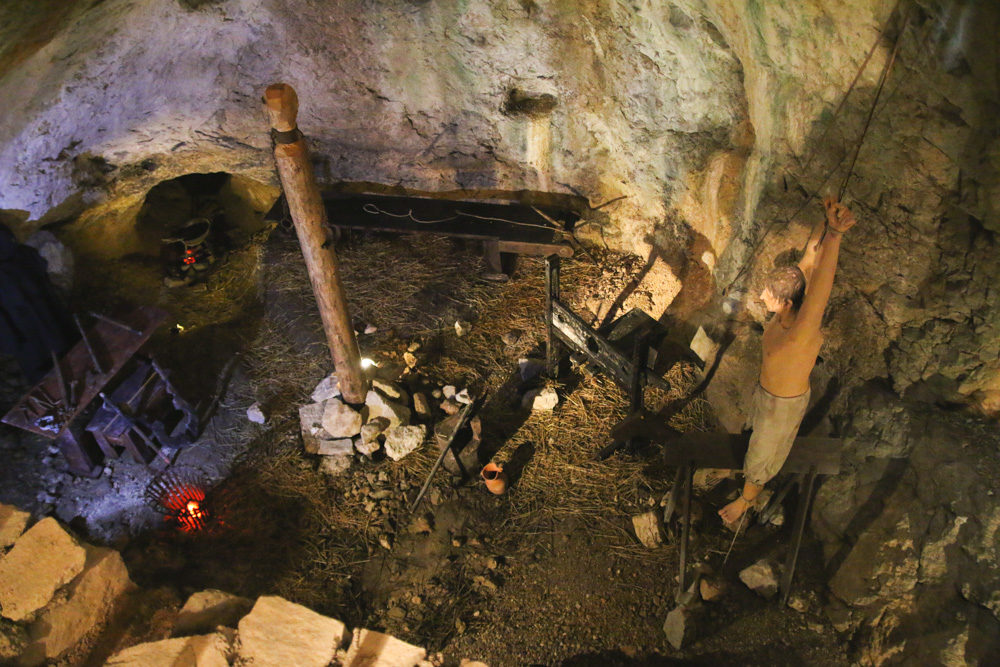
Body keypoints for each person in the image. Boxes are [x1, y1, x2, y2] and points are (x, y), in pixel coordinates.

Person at [718, 197, 856, 525]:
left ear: (784, 301)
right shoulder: (789, 303)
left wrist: (836, 236)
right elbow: (810, 256)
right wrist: (825, 221)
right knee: (755, 438)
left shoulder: (801, 330)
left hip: (782, 406)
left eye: (768, 294)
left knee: (763, 456)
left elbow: (822, 282)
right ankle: (747, 482)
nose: (762, 296)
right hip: (767, 395)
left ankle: (746, 501)